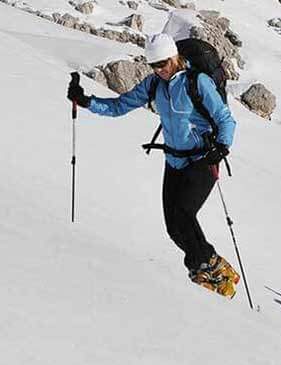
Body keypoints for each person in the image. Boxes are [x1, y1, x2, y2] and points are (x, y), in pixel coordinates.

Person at [67, 33, 239, 297]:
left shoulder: (197, 82)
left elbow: (225, 119)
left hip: (203, 159)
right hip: (174, 160)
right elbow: (119, 106)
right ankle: (209, 265)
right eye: (154, 65)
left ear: (174, 57)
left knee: (184, 213)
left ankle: (206, 268)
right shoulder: (153, 85)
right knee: (173, 228)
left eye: (163, 63)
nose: (159, 70)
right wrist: (87, 101)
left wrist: (222, 147)